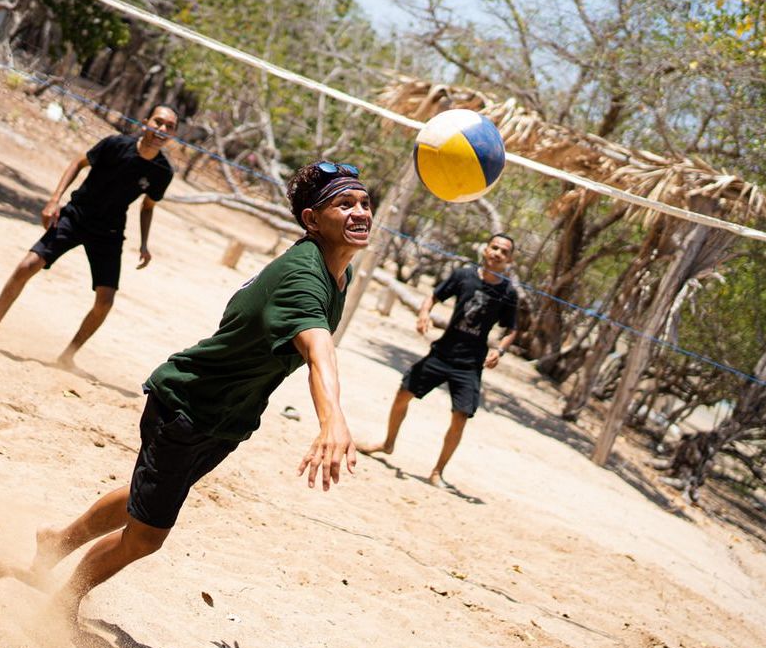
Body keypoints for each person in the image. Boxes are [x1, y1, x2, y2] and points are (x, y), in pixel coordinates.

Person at [32, 160, 371, 620]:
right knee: (146, 536)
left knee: (145, 495)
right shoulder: (304, 276)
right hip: (187, 408)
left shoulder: (338, 271)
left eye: (365, 203)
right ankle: (63, 602)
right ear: (312, 219)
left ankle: (57, 542)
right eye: (344, 203)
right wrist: (332, 419)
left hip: (224, 417)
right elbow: (317, 349)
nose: (360, 212)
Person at [0, 104, 178, 367]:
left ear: (173, 134)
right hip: (76, 216)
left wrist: (145, 244)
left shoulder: (163, 171)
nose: (162, 129)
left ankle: (67, 357)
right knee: (27, 266)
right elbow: (78, 162)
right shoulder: (115, 145)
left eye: (169, 127)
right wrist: (54, 200)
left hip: (110, 231)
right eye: (158, 122)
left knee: (105, 301)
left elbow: (147, 206)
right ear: (145, 122)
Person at [363, 233, 521, 486]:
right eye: (494, 248)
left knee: (460, 416)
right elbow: (434, 296)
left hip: (470, 363)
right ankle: (387, 443)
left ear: (509, 259)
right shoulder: (464, 276)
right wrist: (424, 313)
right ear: (485, 250)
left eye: (504, 251)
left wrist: (500, 350)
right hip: (442, 352)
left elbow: (512, 329)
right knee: (403, 393)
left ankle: (437, 472)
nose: (497, 254)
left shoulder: (507, 293)